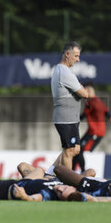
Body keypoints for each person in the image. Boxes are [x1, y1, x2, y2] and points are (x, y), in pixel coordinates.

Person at [48, 41, 88, 174]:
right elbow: (84, 93)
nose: (78, 59)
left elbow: (82, 91)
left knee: (74, 149)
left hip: (71, 119)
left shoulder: (64, 71)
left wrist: (81, 89)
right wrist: (82, 89)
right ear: (67, 54)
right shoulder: (64, 73)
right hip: (65, 119)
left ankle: (49, 172)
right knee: (69, 150)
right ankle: (68, 183)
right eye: (76, 56)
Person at [72, 84, 111, 172]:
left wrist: (73, 122)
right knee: (77, 149)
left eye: (85, 91)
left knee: (79, 149)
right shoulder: (99, 101)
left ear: (88, 92)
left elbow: (83, 115)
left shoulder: (91, 102)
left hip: (95, 132)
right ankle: (73, 170)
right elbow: (108, 113)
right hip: (95, 131)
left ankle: (81, 171)